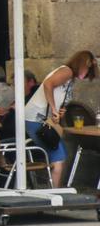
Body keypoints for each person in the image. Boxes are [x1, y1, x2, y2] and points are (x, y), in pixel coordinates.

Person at [25, 50, 97, 187]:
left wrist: (58, 109)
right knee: (59, 158)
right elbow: (48, 84)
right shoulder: (67, 71)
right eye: (88, 71)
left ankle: (54, 190)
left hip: (39, 119)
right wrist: (53, 108)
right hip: (37, 118)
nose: (87, 75)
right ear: (83, 65)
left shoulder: (69, 77)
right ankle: (54, 194)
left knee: (60, 152)